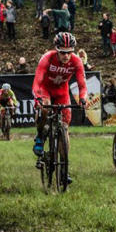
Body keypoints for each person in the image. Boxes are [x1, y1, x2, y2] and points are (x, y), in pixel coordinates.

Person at [32, 32, 89, 183]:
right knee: (44, 108)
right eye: (63, 52)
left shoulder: (76, 61)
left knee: (64, 127)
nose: (66, 55)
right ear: (57, 50)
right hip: (45, 89)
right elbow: (37, 81)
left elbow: (82, 85)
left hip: (62, 91)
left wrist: (83, 99)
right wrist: (37, 97)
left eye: (69, 52)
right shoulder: (47, 58)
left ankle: (64, 169)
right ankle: (40, 136)